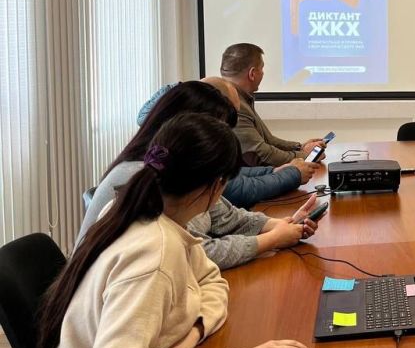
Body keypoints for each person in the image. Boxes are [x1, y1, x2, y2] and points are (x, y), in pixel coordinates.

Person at [37, 114, 317, 348]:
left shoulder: (144, 209)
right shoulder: (153, 250)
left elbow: (211, 279)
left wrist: (193, 331)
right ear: (216, 188)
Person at [78, 81, 319, 268]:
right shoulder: (148, 175)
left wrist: (280, 225)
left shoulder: (181, 168)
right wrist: (272, 239)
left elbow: (224, 216)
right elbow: (196, 253)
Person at [133, 77, 319, 209]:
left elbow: (230, 178)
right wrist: (292, 174)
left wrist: (275, 171)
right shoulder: (159, 165)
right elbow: (236, 189)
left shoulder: (166, 149)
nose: (227, 129)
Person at [220, 43, 327, 165]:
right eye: (262, 69)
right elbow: (261, 154)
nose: (263, 73)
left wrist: (299, 147)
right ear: (252, 74)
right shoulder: (234, 104)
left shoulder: (239, 97)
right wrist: (306, 156)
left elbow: (268, 140)